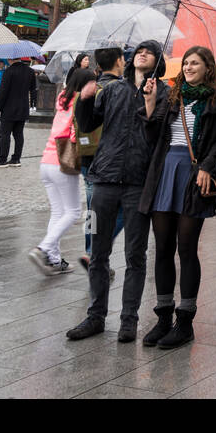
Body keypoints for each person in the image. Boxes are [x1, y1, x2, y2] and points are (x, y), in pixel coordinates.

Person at [66, 41, 167, 342]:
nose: (141, 54)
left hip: (138, 183)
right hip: (104, 181)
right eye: (138, 51)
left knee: (135, 255)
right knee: (98, 253)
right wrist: (83, 101)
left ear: (158, 61)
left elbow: (159, 133)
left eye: (149, 51)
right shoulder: (111, 90)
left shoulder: (163, 93)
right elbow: (86, 124)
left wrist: (150, 104)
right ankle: (95, 316)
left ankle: (128, 320)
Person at [138, 45, 216, 349]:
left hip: (193, 174)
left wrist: (207, 167)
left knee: (186, 248)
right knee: (162, 247)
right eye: (186, 63)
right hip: (165, 170)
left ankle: (185, 320)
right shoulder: (170, 94)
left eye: (195, 63)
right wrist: (150, 104)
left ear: (207, 67)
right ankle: (163, 317)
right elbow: (152, 137)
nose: (189, 67)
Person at [29, 68, 90, 276]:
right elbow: (75, 135)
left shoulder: (62, 99)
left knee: (57, 212)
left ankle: (54, 260)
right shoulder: (80, 103)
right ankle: (43, 248)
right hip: (63, 162)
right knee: (72, 212)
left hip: (46, 161)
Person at [75, 67, 120, 276]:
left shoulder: (73, 97)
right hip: (100, 160)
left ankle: (89, 249)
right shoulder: (105, 93)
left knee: (91, 212)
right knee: (114, 211)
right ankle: (94, 251)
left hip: (85, 158)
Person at [0, 56, 35, 167]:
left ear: (10, 59)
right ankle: (16, 159)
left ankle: (2, 159)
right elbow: (33, 89)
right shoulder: (30, 71)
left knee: (5, 134)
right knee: (19, 134)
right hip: (23, 107)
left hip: (9, 108)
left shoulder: (9, 71)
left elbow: (3, 91)